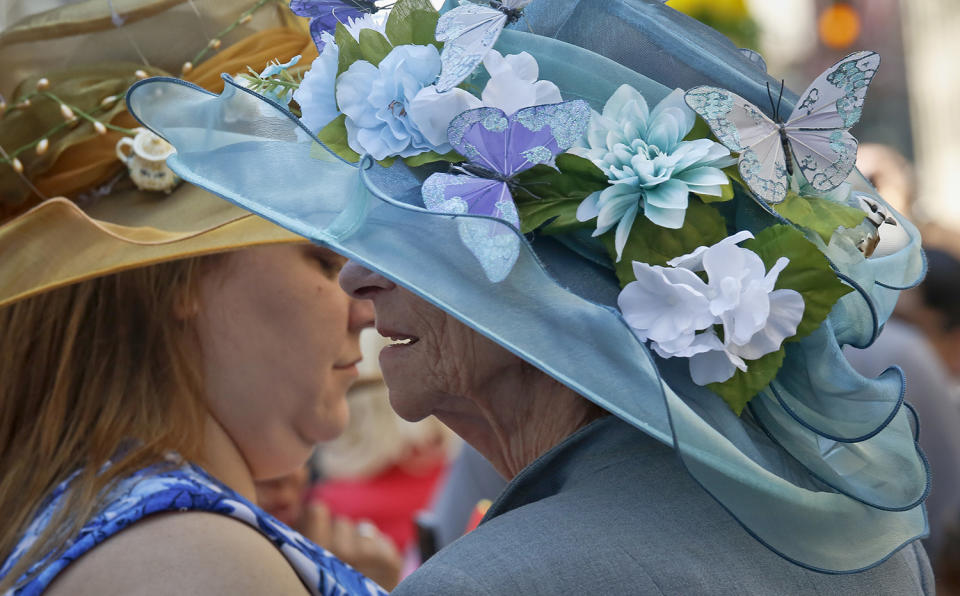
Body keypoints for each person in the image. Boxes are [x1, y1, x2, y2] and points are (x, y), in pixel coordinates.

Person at [129, 0, 934, 591]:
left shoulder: (492, 583)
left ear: (556, 277)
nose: (356, 277)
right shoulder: (875, 551)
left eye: (419, 237)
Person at [0, 3, 388, 594]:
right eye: (324, 259)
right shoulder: (186, 560)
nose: (365, 308)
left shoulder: (143, 528)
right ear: (183, 276)